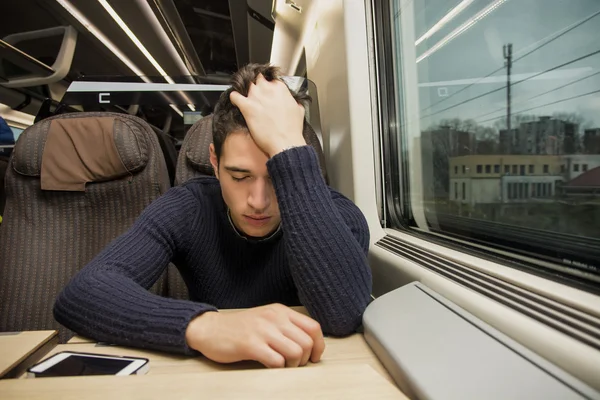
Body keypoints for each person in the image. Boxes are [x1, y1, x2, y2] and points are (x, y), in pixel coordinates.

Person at [54, 63, 372, 369]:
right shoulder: (189, 207)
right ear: (214, 163)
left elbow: (343, 315)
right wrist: (207, 327)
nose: (258, 202)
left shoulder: (338, 214)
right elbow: (83, 293)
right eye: (239, 176)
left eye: (276, 175)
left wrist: (287, 147)